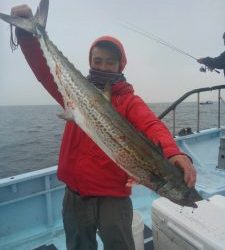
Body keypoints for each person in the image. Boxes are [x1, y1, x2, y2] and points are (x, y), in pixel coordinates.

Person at [11, 5, 196, 250]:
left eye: (110, 62)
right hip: (74, 195)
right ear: (90, 62)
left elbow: (152, 125)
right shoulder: (73, 93)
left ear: (121, 65)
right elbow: (45, 71)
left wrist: (174, 152)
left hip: (113, 199)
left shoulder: (130, 101)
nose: (103, 66)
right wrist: (27, 35)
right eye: (98, 61)